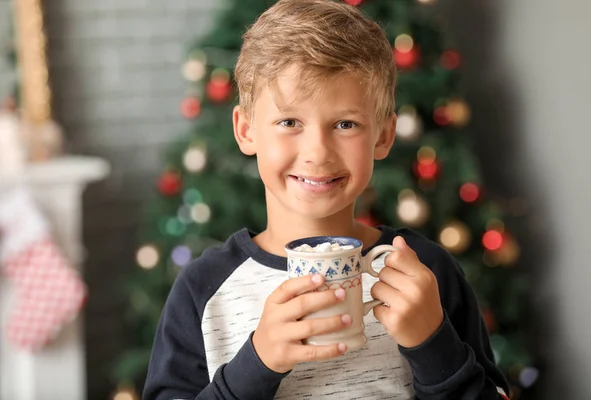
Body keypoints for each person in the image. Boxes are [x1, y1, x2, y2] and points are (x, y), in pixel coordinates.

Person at [143, 0, 510, 398]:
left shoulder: (427, 275)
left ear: (384, 136)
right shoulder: (203, 289)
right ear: (246, 130)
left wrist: (433, 344)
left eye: (345, 124)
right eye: (289, 122)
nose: (317, 152)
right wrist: (257, 363)